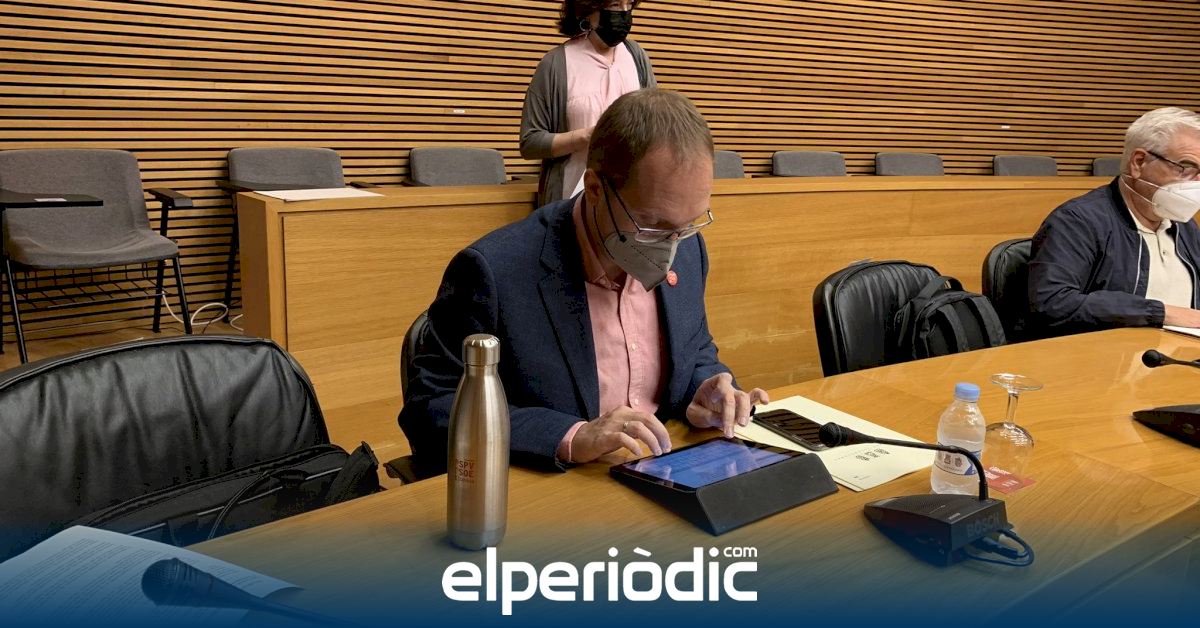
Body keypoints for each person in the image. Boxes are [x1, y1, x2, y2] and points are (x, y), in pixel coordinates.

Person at [400, 89, 767, 472]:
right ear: (594, 189)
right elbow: (432, 408)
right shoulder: (493, 271)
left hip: (664, 469)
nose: (672, 244)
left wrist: (704, 388)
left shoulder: (689, 250)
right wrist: (571, 437)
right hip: (559, 486)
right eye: (652, 224)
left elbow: (696, 349)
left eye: (689, 223)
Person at [1029, 107, 1200, 335]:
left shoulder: (1184, 225)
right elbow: (1052, 303)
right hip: (1108, 353)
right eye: (1187, 168)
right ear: (1139, 162)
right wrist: (1161, 312)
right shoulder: (1077, 221)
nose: (1196, 183)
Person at [520, 0, 656, 208]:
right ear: (587, 11)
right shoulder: (555, 64)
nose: (624, 13)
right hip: (571, 202)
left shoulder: (637, 57)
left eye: (628, 4)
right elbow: (530, 143)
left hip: (629, 202)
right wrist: (587, 137)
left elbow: (656, 127)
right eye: (614, 5)